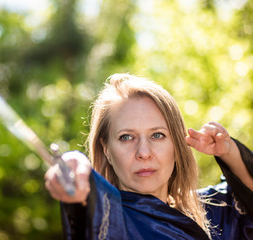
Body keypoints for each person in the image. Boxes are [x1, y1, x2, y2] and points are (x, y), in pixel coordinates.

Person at [44, 73, 253, 240]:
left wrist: (229, 151)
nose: (143, 153)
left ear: (177, 144)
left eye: (158, 135)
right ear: (106, 148)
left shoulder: (211, 212)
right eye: (126, 137)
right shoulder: (111, 219)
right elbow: (89, 207)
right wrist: (76, 167)